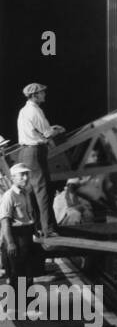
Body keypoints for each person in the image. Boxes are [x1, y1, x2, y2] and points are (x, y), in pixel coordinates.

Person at [16, 82, 63, 236]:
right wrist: (58, 130)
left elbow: (38, 131)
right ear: (34, 95)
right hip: (35, 152)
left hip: (25, 152)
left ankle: (37, 227)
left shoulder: (24, 111)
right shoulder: (35, 111)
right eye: (42, 92)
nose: (44, 94)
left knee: (31, 191)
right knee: (43, 191)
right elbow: (47, 134)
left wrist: (49, 130)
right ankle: (48, 229)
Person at [0, 163, 40, 280]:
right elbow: (5, 222)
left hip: (27, 236)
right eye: (22, 175)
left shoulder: (26, 193)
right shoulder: (9, 196)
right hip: (16, 237)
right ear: (13, 178)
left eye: (27, 174)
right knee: (17, 274)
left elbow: (29, 216)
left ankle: (28, 298)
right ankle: (18, 298)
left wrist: (35, 230)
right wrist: (11, 243)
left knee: (28, 273)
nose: (26, 178)